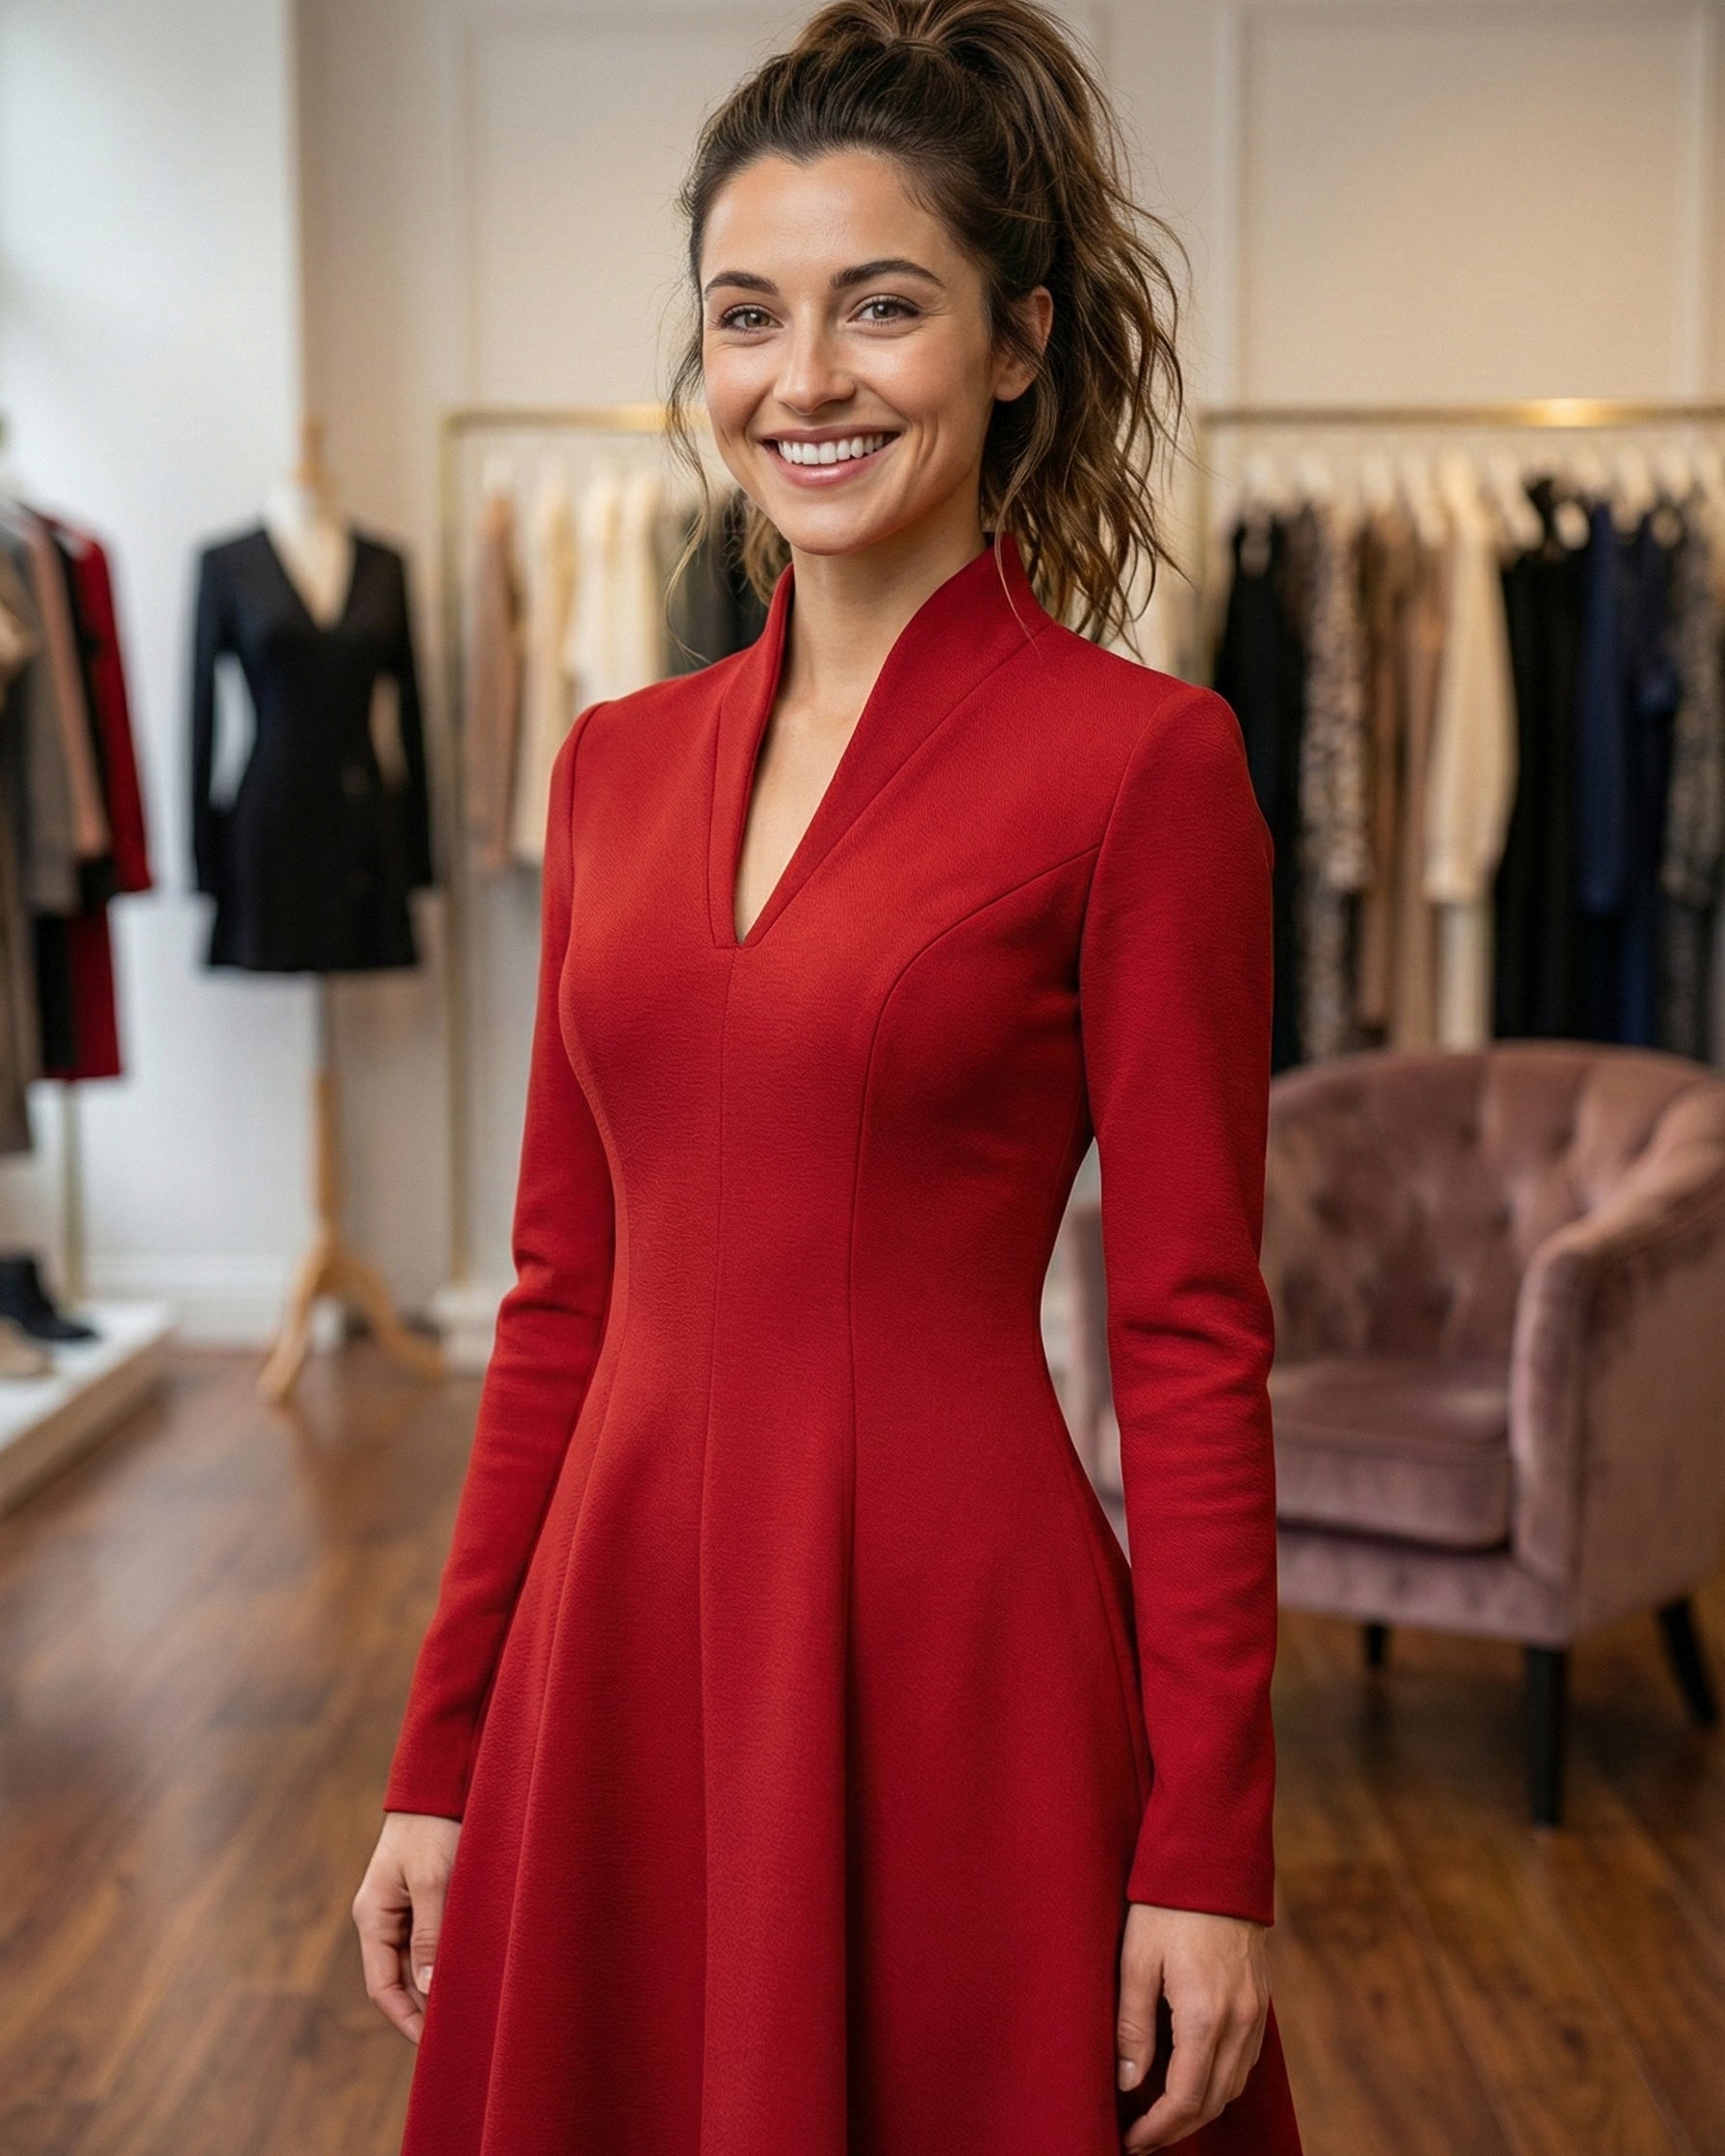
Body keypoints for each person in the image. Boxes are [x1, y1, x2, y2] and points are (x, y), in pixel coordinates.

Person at [351, 3, 1304, 2150]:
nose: (806, 378)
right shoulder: (609, 769)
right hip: (622, 1632)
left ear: (1017, 340)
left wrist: (1206, 1849)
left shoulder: (1142, 770)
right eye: (746, 317)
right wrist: (441, 1751)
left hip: (949, 1647)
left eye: (883, 307)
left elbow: (1184, 1339)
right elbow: (558, 1304)